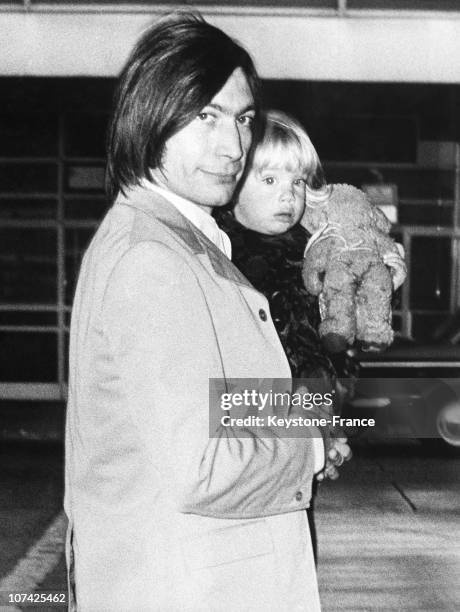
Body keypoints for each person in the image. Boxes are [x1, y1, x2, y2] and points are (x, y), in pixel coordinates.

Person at [65, 14, 332, 612]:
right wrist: (308, 446)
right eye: (205, 117)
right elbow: (203, 464)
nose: (233, 145)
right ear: (152, 117)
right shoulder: (153, 259)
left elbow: (215, 398)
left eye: (241, 119)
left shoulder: (175, 239)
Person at [216, 110, 406, 558]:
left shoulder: (308, 258)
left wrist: (377, 291)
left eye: (298, 182)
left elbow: (328, 351)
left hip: (292, 461)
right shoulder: (229, 263)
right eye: (269, 181)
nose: (288, 195)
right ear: (233, 184)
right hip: (249, 470)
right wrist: (313, 439)